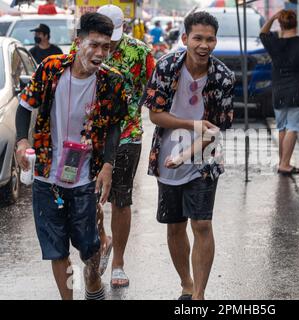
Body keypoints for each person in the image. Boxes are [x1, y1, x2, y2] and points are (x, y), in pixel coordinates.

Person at [15, 12, 127, 300]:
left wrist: (107, 165)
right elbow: (25, 106)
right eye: (95, 44)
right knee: (57, 248)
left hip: (85, 177)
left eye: (107, 47)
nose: (101, 53)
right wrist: (22, 140)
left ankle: (93, 285)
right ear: (78, 42)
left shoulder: (112, 82)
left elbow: (115, 124)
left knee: (89, 247)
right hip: (46, 175)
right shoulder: (50, 69)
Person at [142, 11, 235, 300]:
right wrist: (190, 124)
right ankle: (187, 283)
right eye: (198, 38)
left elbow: (216, 128)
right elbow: (155, 115)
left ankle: (199, 296)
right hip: (166, 155)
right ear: (185, 39)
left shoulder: (223, 76)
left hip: (204, 156)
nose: (204, 45)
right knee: (175, 226)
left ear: (215, 41)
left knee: (202, 223)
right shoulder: (167, 67)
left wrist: (189, 152)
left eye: (210, 39)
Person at [93, 4, 155, 289]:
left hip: (128, 134)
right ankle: (102, 239)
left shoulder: (140, 52)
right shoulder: (82, 47)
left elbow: (151, 86)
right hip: (91, 135)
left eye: (113, 36)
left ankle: (118, 262)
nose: (109, 42)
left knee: (121, 197)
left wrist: (134, 108)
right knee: (89, 197)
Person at [260, 10, 299, 175]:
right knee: (292, 128)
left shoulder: (275, 43)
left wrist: (272, 18)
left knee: (282, 128)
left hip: (279, 92)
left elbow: (262, 33)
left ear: (280, 24)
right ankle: (285, 164)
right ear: (296, 23)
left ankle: (283, 161)